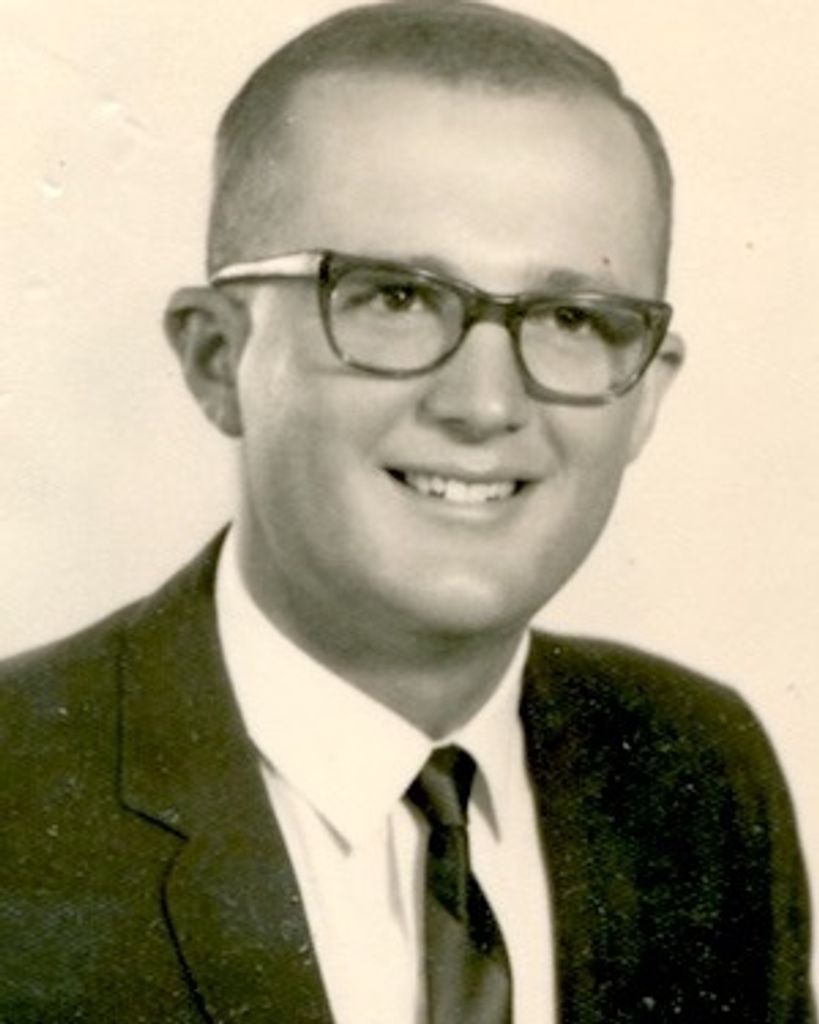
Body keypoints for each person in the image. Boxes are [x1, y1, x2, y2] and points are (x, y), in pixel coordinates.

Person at [0, 1, 813, 1021]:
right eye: (396, 298)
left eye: (571, 318)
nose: (484, 404)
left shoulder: (695, 773)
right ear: (217, 358)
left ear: (645, 394)